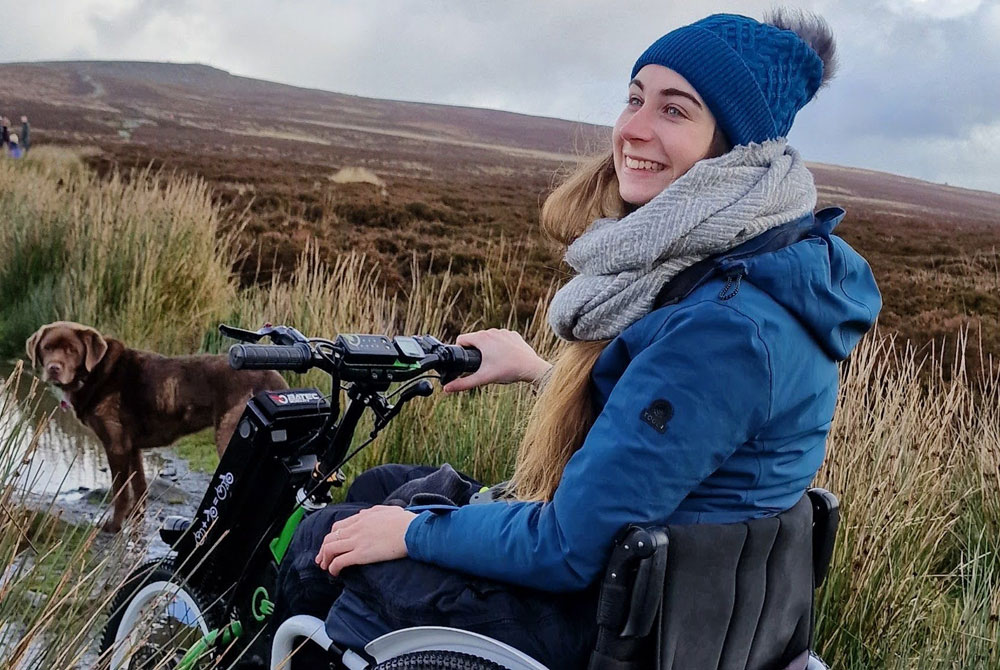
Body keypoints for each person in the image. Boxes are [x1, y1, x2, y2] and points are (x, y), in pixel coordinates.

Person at [274, 9, 882, 669]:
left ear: (733, 151)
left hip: (611, 621)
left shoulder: (724, 331)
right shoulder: (767, 265)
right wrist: (540, 371)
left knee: (323, 546)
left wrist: (414, 533)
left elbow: (566, 545)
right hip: (664, 596)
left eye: (675, 111)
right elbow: (677, 436)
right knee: (385, 484)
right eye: (635, 97)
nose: (633, 129)